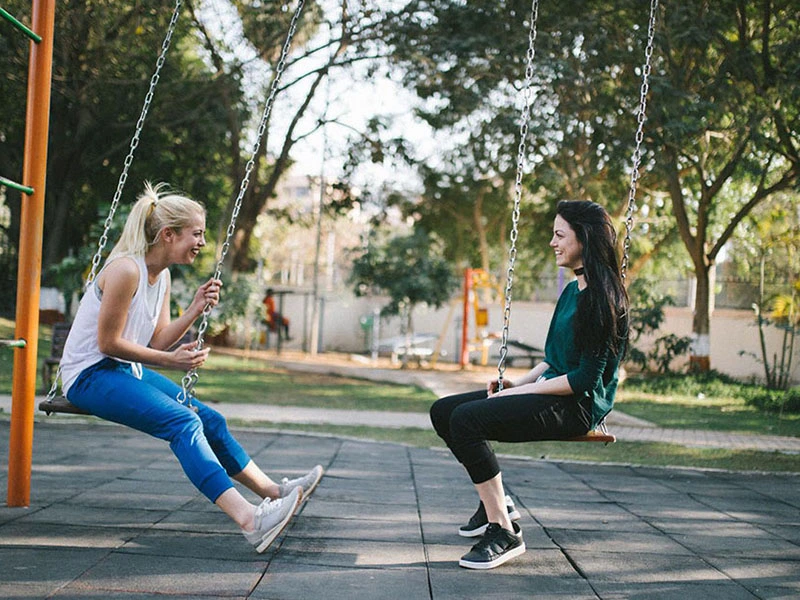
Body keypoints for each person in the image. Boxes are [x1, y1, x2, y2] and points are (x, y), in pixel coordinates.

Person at [59, 182, 324, 553]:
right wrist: (170, 362)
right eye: (196, 233)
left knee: (209, 419)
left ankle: (274, 492)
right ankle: (250, 520)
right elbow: (108, 344)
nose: (201, 242)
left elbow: (157, 341)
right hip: (89, 375)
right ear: (168, 235)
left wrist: (194, 309)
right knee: (183, 422)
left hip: (120, 372)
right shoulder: (125, 270)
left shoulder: (162, 275)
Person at [430, 200, 629, 570]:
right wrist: (516, 382)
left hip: (579, 405)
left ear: (584, 239)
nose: (553, 243)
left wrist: (522, 392)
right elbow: (554, 359)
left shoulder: (603, 300)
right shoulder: (572, 291)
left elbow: (584, 378)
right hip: (554, 388)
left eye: (559, 235)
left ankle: (503, 531)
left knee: (467, 421)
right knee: (443, 411)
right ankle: (497, 501)